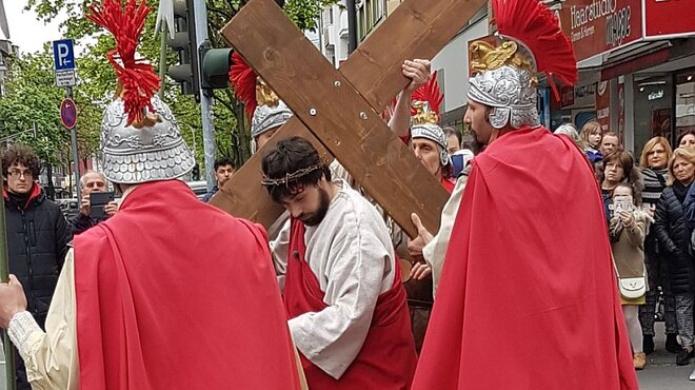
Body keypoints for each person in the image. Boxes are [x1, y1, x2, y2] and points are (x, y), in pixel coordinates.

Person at [0, 3, 305, 389]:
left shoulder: (93, 255)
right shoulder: (248, 239)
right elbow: (278, 354)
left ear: (114, 174)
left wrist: (17, 319)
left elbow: (62, 372)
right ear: (178, 161)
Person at [408, 0, 638, 387]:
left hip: (518, 332)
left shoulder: (486, 170)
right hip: (577, 327)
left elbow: (458, 255)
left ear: (498, 113)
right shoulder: (573, 157)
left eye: (475, 107)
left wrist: (430, 248)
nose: (468, 118)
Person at [263, 137, 417, 389]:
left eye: (300, 200)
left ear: (321, 177)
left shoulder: (355, 228)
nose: (294, 212)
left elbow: (349, 316)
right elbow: (279, 264)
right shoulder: (303, 218)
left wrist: (280, 332)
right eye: (287, 205)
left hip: (373, 374)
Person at [1, 144, 72, 389]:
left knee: (51, 371)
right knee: (19, 375)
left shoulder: (51, 211)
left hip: (50, 306)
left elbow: (66, 257)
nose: (21, 177)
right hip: (12, 307)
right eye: (15, 171)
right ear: (6, 175)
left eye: (27, 172)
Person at [653, 147, 695, 373]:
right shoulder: (667, 194)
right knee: (683, 302)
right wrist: (672, 249)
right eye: (676, 166)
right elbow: (659, 225)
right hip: (678, 258)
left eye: (684, 164)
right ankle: (687, 344)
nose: (680, 169)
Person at [638, 137, 678, 355]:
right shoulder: (638, 179)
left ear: (667, 154)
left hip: (670, 241)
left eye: (660, 152)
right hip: (645, 240)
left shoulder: (675, 177)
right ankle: (647, 335)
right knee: (648, 290)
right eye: (651, 152)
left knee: (671, 289)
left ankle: (672, 334)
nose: (655, 156)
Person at [609, 182, 650, 370]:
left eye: (625, 197)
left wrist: (630, 224)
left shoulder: (640, 217)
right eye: (617, 197)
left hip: (631, 272)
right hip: (611, 272)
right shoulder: (607, 218)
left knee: (630, 317)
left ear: (633, 200)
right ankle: (619, 355)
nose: (620, 200)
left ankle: (638, 353)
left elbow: (639, 241)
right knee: (613, 318)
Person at [70, 170, 119, 234]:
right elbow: (74, 239)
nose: (95, 188)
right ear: (82, 192)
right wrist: (83, 217)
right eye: (90, 185)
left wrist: (118, 218)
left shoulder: (118, 213)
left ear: (107, 189)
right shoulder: (73, 222)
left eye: (100, 184)